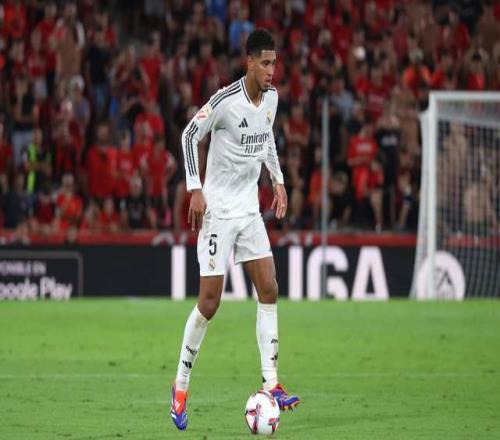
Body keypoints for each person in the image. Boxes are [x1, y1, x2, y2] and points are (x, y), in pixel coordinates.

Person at [171, 29, 300, 431]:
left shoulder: (272, 99)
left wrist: (278, 178)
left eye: (274, 63)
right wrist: (195, 188)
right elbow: (189, 135)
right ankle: (180, 387)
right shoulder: (225, 102)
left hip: (248, 210)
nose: (271, 70)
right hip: (219, 213)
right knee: (209, 303)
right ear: (249, 63)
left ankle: (272, 382)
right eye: (265, 63)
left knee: (269, 287)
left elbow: (266, 139)